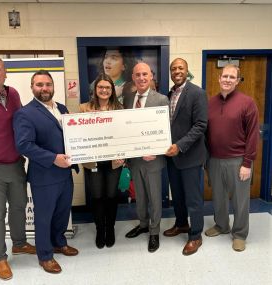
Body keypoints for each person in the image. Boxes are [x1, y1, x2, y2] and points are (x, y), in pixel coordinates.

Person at [13, 70, 79, 274]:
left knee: (61, 212)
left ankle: (59, 242)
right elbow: (24, 145)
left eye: (48, 84)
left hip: (65, 173)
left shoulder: (61, 108)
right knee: (44, 217)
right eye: (39, 84)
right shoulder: (24, 113)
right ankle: (45, 255)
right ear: (32, 87)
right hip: (45, 175)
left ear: (53, 86)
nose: (44, 88)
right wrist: (52, 158)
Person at [0, 55, 36, 281]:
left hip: (16, 163)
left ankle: (19, 243)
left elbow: (23, 122)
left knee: (18, 206)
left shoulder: (13, 94)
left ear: (5, 73)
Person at [205, 64, 259, 252]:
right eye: (225, 76)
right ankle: (221, 225)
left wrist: (247, 163)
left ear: (237, 81)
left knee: (240, 200)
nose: (227, 80)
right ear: (219, 78)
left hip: (238, 160)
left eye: (232, 77)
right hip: (214, 160)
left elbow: (253, 135)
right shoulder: (210, 103)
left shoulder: (247, 102)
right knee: (218, 197)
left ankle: (239, 234)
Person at [164, 58, 208, 256]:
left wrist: (179, 146)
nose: (177, 71)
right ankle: (181, 224)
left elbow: (200, 125)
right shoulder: (170, 93)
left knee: (193, 198)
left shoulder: (197, 93)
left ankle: (196, 235)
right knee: (178, 196)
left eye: (180, 68)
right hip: (172, 158)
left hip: (189, 156)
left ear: (187, 70)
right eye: (174, 69)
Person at [123, 62, 169, 253]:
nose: (141, 78)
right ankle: (143, 224)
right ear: (133, 77)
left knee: (155, 197)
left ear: (151, 77)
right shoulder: (127, 99)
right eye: (138, 75)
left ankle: (154, 231)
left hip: (153, 160)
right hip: (135, 159)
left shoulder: (161, 100)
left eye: (145, 74)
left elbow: (167, 130)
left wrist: (157, 151)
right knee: (139, 195)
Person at [80, 73, 124, 249]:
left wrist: (124, 154)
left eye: (107, 87)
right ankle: (100, 229)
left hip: (114, 160)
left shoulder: (120, 109)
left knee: (111, 196)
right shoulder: (84, 108)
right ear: (95, 89)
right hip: (93, 162)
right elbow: (79, 134)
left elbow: (124, 134)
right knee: (97, 196)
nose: (104, 90)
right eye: (101, 87)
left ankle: (110, 228)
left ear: (112, 90)